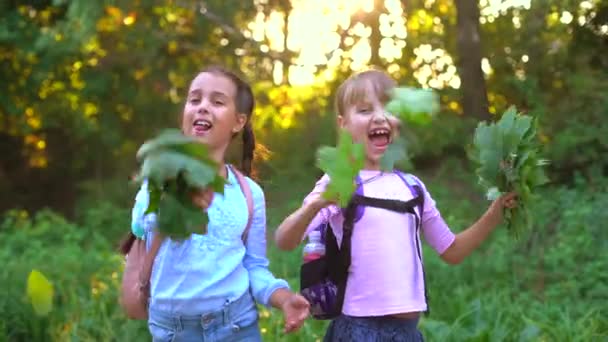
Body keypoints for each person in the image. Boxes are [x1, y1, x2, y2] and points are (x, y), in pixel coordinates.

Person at [274, 69, 517, 341]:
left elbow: (452, 251)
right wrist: (315, 206)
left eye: (388, 107)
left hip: (407, 333)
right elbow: (284, 240)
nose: (379, 116)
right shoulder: (340, 180)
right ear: (343, 124)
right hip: (359, 330)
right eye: (365, 110)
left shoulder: (413, 187)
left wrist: (495, 212)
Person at [130, 66, 310, 341]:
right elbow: (143, 228)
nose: (202, 107)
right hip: (174, 333)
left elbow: (254, 268)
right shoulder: (158, 178)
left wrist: (282, 298)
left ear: (238, 122)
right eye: (195, 99)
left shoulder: (249, 194)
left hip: (237, 328)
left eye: (217, 101)